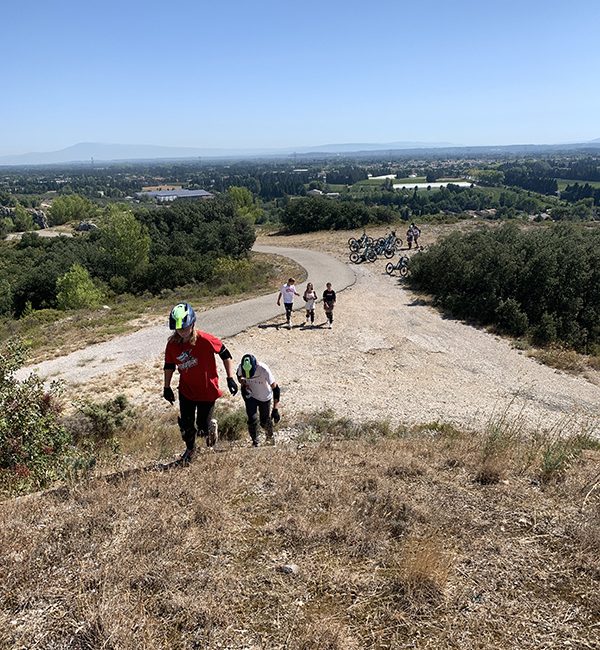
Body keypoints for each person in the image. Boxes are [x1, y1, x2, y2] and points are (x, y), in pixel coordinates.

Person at [163, 302, 238, 464]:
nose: (182, 332)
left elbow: (225, 354)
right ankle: (190, 451)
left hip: (207, 390)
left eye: (185, 327)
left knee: (202, 429)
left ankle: (210, 426)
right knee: (186, 427)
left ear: (193, 323)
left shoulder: (205, 339)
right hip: (186, 390)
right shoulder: (172, 344)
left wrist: (230, 377)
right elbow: (169, 365)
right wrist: (166, 387)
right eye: (179, 329)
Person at [236, 353, 280, 447]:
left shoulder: (264, 369)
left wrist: (275, 409)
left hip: (264, 397)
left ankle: (270, 438)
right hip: (251, 395)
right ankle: (255, 442)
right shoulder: (241, 367)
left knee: (264, 421)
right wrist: (243, 383)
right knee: (252, 419)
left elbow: (276, 389)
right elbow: (239, 376)